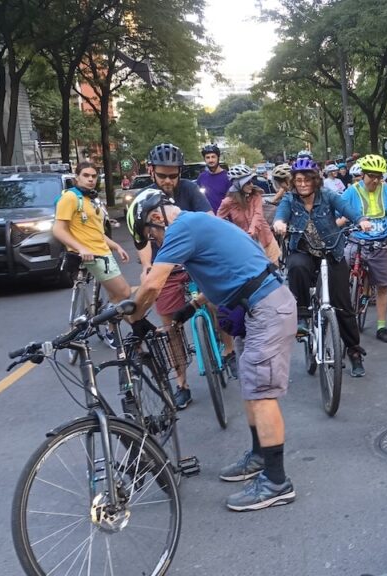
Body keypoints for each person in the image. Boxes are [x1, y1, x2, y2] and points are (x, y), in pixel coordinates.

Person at [128, 190, 297, 512]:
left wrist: (134, 319)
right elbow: (230, 268)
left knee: (262, 394)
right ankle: (260, 456)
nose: (155, 241)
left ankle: (277, 482)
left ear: (157, 218)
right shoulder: (197, 224)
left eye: (151, 234)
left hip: (266, 309)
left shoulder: (181, 228)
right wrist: (190, 308)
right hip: (258, 307)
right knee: (252, 388)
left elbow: (151, 285)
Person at [132, 143, 220, 409]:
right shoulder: (145, 198)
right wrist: (146, 266)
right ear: (151, 171)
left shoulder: (190, 189)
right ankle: (182, 383)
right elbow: (141, 239)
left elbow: (209, 218)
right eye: (162, 176)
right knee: (170, 325)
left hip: (196, 257)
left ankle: (227, 350)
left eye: (173, 175)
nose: (168, 181)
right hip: (165, 265)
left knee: (218, 300)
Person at [272, 157, 373, 377]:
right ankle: (302, 315)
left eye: (307, 180)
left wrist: (361, 220)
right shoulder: (289, 199)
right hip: (304, 252)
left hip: (331, 252)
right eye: (298, 180)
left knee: (343, 306)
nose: (302, 184)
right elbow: (280, 215)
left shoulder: (327, 196)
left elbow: (347, 208)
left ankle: (354, 352)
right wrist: (279, 223)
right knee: (296, 266)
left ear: (315, 180)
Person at [53, 161, 132, 348]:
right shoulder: (71, 198)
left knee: (115, 294)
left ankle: (108, 323)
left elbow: (97, 233)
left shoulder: (91, 199)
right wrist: (80, 248)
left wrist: (116, 246)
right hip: (91, 255)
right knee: (124, 292)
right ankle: (110, 327)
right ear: (77, 177)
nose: (90, 179)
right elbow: (58, 229)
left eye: (94, 176)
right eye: (86, 175)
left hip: (103, 252)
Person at [340, 154, 387, 343]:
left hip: (381, 242)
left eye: (378, 176)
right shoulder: (351, 192)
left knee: (382, 285)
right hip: (357, 241)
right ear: (363, 174)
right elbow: (338, 215)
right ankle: (355, 295)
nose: (375, 180)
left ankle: (381, 326)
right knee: (342, 269)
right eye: (371, 176)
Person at [218, 165, 280, 263]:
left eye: (251, 181)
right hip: (246, 245)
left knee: (275, 269)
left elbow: (258, 214)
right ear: (238, 184)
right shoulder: (228, 202)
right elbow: (218, 222)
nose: (251, 185)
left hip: (266, 239)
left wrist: (251, 231)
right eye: (247, 182)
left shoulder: (256, 194)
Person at [198, 144, 232, 213]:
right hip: (207, 217)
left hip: (224, 217)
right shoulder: (201, 177)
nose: (210, 160)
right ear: (205, 160)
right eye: (207, 157)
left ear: (218, 158)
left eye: (213, 157)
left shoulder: (228, 177)